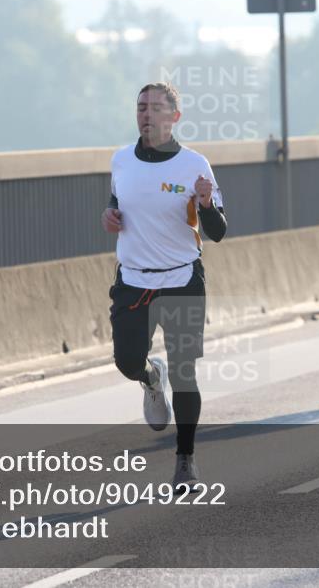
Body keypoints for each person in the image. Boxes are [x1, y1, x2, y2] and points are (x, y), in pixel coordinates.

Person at [101, 81, 227, 492]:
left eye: (156, 107)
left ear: (175, 116)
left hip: (182, 279)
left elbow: (218, 231)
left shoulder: (195, 165)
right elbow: (118, 206)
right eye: (141, 107)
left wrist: (206, 205)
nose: (146, 114)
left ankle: (185, 462)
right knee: (126, 362)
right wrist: (110, 217)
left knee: (186, 373)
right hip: (134, 279)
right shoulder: (121, 160)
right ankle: (150, 378)